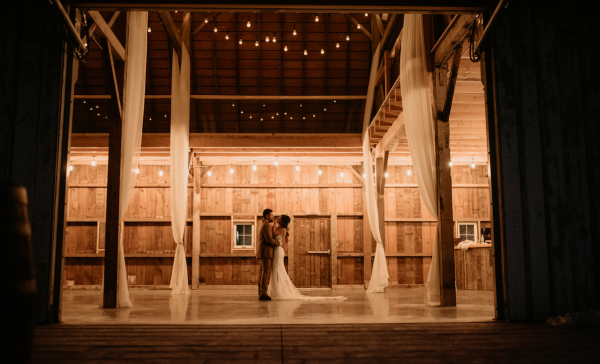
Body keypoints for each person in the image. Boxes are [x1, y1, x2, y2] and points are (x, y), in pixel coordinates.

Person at [267, 214, 346, 301]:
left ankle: (279, 291)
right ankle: (276, 290)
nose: (278, 218)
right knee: (275, 270)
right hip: (275, 250)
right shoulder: (279, 228)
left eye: (280, 218)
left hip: (278, 251)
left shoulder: (283, 229)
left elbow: (274, 233)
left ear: (282, 221)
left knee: (278, 270)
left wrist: (274, 223)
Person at [256, 209, 280, 301]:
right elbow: (269, 240)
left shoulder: (264, 224)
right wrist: (277, 243)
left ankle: (261, 292)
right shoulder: (266, 225)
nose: (273, 217)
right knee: (266, 273)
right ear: (267, 216)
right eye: (271, 215)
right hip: (266, 252)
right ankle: (263, 293)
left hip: (263, 252)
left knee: (262, 273)